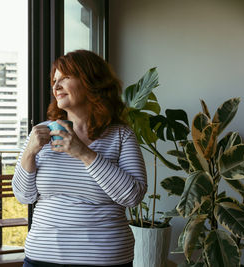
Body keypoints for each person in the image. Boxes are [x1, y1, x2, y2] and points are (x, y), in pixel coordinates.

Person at [12, 50, 147, 267]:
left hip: (106, 259)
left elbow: (132, 196)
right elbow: (23, 196)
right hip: (41, 257)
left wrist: (83, 153)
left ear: (91, 81)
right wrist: (29, 153)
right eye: (54, 81)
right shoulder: (41, 134)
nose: (56, 87)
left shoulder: (121, 135)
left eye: (65, 78)